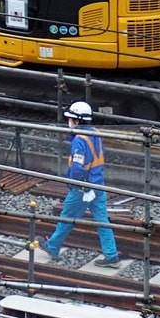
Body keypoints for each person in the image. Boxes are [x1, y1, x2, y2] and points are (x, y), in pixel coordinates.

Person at [37, 101, 120, 267]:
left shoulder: (79, 141)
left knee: (67, 217)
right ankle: (111, 255)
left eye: (71, 119)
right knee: (102, 221)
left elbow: (77, 168)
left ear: (77, 120)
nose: (69, 122)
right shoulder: (94, 133)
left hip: (83, 187)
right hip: (98, 185)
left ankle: (52, 246)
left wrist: (77, 183)